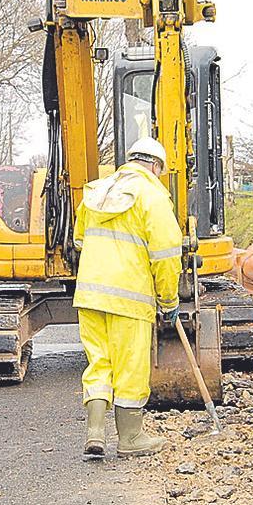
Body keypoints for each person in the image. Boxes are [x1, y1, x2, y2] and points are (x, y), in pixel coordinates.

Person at [72, 137, 183, 459]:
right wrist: (169, 300)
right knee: (130, 368)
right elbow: (166, 256)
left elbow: (80, 241)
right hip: (129, 298)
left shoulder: (96, 192)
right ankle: (130, 438)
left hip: (90, 294)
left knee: (99, 362)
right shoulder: (152, 196)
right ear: (155, 166)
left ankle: (95, 432)